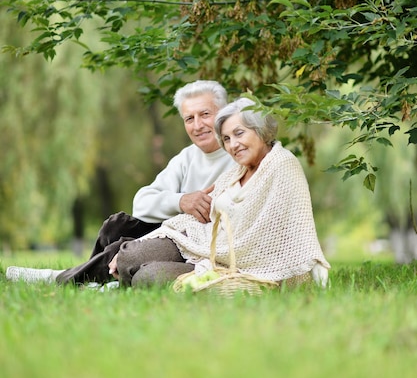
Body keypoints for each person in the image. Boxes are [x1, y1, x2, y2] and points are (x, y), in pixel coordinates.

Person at [5, 80, 236, 285]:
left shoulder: (238, 154)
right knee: (115, 225)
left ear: (223, 113)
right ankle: (95, 282)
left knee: (123, 248)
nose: (197, 126)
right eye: (189, 118)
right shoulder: (187, 157)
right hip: (172, 232)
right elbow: (142, 203)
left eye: (205, 114)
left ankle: (60, 278)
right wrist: (181, 201)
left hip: (197, 244)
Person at [109, 97, 331, 289]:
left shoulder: (282, 165)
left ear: (261, 131)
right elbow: (202, 219)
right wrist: (147, 240)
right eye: (226, 139)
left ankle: (137, 280)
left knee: (148, 277)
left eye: (239, 133)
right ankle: (103, 279)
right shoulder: (235, 172)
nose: (233, 145)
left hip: (238, 263)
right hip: (204, 245)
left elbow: (281, 232)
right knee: (129, 255)